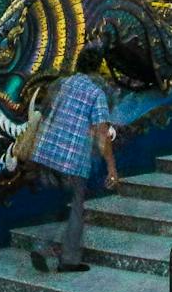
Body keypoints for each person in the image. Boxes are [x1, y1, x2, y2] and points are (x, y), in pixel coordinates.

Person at [27, 47, 118, 274]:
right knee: (76, 207)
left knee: (55, 204)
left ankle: (41, 243)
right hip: (72, 158)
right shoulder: (96, 94)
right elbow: (102, 134)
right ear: (98, 67)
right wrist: (111, 168)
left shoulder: (63, 84)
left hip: (47, 152)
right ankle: (69, 260)